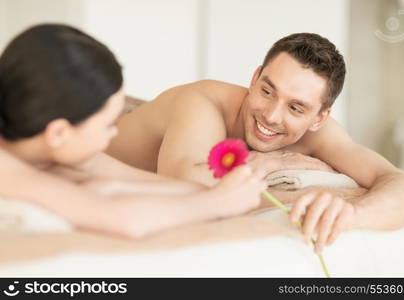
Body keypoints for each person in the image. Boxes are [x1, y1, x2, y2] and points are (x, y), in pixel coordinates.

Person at [107, 33, 404, 254]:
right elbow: (188, 192)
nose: (271, 115)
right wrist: (270, 165)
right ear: (255, 77)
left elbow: (402, 185)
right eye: (267, 91)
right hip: (107, 138)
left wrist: (352, 213)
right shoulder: (201, 101)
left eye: (296, 108)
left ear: (319, 117)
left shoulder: (321, 133)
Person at [0, 24, 267, 238]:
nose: (114, 133)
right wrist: (216, 204)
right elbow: (120, 219)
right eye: (109, 125)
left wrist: (227, 194)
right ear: (58, 133)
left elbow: (132, 181)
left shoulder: (40, 142)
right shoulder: (7, 169)